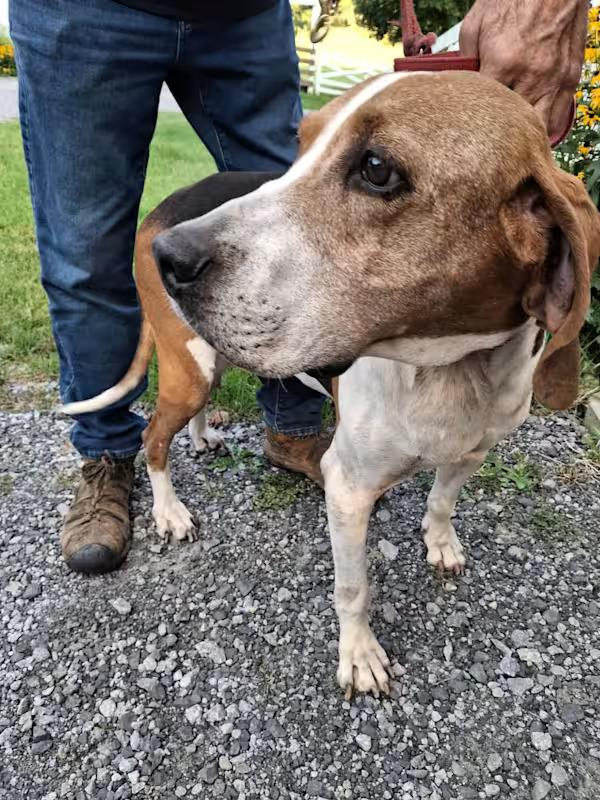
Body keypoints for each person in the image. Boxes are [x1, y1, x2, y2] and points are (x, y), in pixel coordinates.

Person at [9, 0, 589, 575]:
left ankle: (292, 429)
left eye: (376, 171)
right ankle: (109, 452)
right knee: (83, 257)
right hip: (80, 11)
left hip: (248, 13)